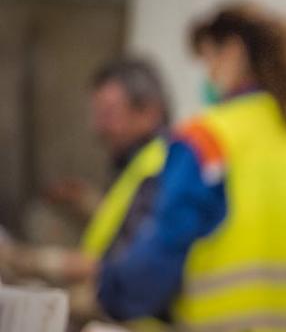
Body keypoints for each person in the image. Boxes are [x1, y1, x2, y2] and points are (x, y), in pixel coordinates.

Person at [97, 1, 286, 332]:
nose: (207, 74)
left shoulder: (208, 137)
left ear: (233, 52)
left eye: (208, 59)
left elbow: (161, 251)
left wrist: (109, 291)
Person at [0, 58, 170, 288]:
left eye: (109, 113)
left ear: (148, 112)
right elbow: (124, 224)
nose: (97, 127)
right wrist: (87, 201)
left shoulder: (161, 166)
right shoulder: (140, 162)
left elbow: (125, 261)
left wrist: (26, 260)